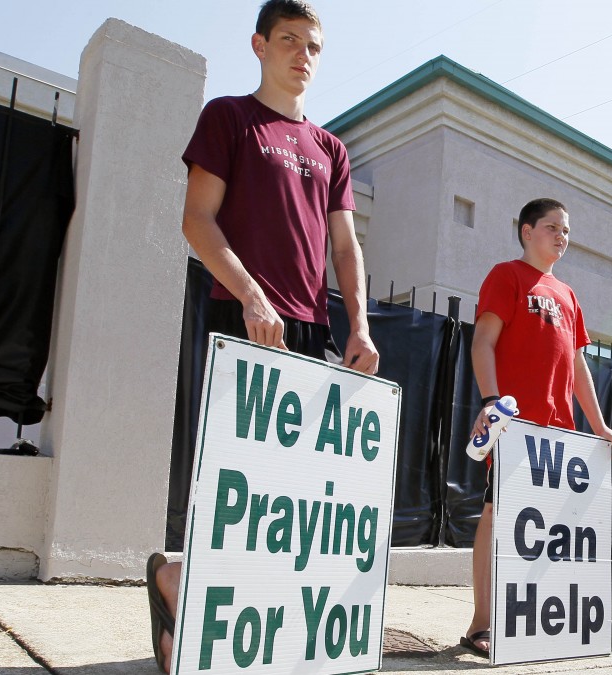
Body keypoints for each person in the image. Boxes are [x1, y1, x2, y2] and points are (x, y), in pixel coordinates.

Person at [144, 2, 378, 672]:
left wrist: (358, 322)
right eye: (289, 41)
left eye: (313, 45)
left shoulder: (331, 148)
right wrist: (251, 293)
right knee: (236, 488)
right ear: (259, 45)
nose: (302, 54)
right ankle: (177, 584)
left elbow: (344, 244)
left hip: (308, 328)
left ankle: (197, 608)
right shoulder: (229, 117)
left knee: (292, 496)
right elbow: (197, 219)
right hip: (239, 313)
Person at [459, 197, 612, 658]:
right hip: (515, 431)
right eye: (552, 227)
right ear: (526, 230)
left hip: (560, 437)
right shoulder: (505, 275)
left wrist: (599, 426)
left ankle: (533, 621)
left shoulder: (569, 296)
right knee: (496, 517)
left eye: (566, 230)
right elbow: (483, 342)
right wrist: (492, 403)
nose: (561, 236)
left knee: (551, 531)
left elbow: (577, 367)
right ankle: (481, 624)